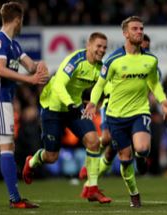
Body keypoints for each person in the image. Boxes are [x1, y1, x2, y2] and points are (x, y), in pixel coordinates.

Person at [83, 16, 167, 208]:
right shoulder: (113, 60)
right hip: (116, 117)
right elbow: (100, 84)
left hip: (139, 112)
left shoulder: (150, 60)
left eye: (141, 28)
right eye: (135, 29)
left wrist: (163, 100)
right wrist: (93, 103)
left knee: (142, 148)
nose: (139, 32)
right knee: (125, 159)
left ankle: (142, 158)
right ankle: (134, 194)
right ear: (125, 33)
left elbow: (153, 83)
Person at [0, 2, 49, 210]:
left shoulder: (14, 44)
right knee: (7, 146)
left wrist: (40, 67)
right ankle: (15, 199)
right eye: (22, 20)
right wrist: (30, 80)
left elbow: (31, 66)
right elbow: (0, 70)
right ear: (17, 20)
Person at [22, 32, 112, 204]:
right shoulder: (75, 60)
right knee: (51, 156)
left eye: (104, 47)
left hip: (75, 107)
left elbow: (104, 88)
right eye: (98, 46)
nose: (101, 50)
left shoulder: (101, 67)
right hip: (53, 107)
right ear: (89, 45)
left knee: (93, 141)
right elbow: (58, 84)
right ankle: (32, 161)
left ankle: (92, 188)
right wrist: (71, 104)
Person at [78, 33, 155, 180]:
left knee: (115, 151)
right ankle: (89, 169)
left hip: (135, 111)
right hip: (111, 106)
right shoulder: (117, 61)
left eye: (146, 46)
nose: (142, 47)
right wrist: (96, 102)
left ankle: (92, 179)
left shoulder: (150, 66)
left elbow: (152, 90)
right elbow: (103, 84)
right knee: (106, 139)